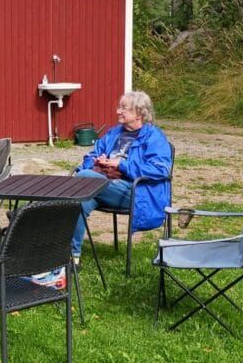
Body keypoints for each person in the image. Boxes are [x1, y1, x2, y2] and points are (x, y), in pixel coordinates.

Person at [69, 90, 173, 266]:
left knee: (83, 179)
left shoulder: (154, 137)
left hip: (135, 192)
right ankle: (72, 258)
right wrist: (97, 162)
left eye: (124, 108)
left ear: (139, 113)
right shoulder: (114, 133)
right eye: (119, 107)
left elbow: (160, 169)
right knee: (78, 201)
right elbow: (91, 155)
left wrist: (121, 165)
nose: (118, 111)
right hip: (103, 185)